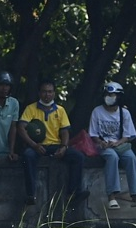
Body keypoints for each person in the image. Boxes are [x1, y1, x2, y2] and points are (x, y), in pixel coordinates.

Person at [17, 79, 87, 208]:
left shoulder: (60, 110)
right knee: (27, 155)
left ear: (54, 93)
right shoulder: (31, 108)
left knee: (78, 157)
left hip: (55, 145)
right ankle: (30, 194)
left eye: (50, 92)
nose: (47, 95)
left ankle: (73, 193)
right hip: (37, 145)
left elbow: (65, 131)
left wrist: (64, 147)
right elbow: (21, 128)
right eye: (44, 92)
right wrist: (33, 145)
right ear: (39, 93)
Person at [89, 82, 136, 209]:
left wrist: (117, 142)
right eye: (107, 94)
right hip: (104, 146)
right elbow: (93, 134)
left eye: (112, 95)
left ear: (118, 97)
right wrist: (101, 142)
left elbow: (128, 136)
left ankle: (135, 194)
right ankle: (112, 196)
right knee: (112, 157)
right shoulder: (97, 111)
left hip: (120, 145)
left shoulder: (125, 113)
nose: (109, 97)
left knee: (131, 158)